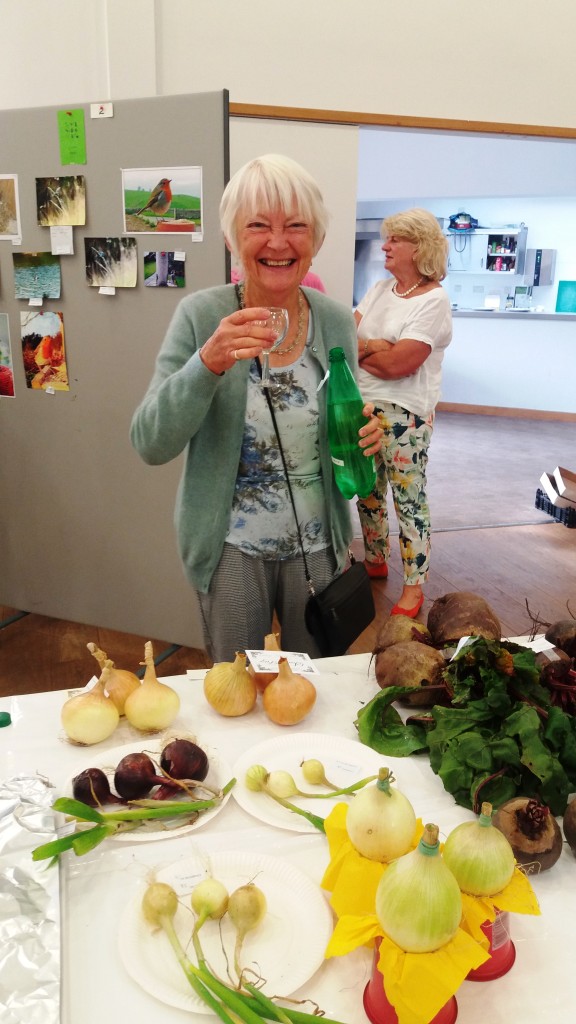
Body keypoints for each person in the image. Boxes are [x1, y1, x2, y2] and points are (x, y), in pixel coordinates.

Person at [130, 154, 382, 662]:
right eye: (259, 226)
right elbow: (150, 443)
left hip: (318, 545)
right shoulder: (201, 315)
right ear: (232, 238)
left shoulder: (335, 321)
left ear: (316, 239)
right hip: (229, 547)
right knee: (236, 684)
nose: (278, 242)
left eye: (296, 226)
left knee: (313, 686)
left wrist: (364, 437)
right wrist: (207, 364)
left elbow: (343, 431)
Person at [355, 208, 452, 618]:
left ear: (420, 247)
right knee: (368, 491)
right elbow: (345, 341)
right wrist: (377, 346)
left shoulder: (434, 300)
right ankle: (375, 558)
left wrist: (369, 350)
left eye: (396, 239)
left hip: (406, 415)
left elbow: (400, 365)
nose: (385, 246)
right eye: (387, 237)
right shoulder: (380, 290)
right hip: (363, 405)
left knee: (408, 500)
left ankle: (414, 587)